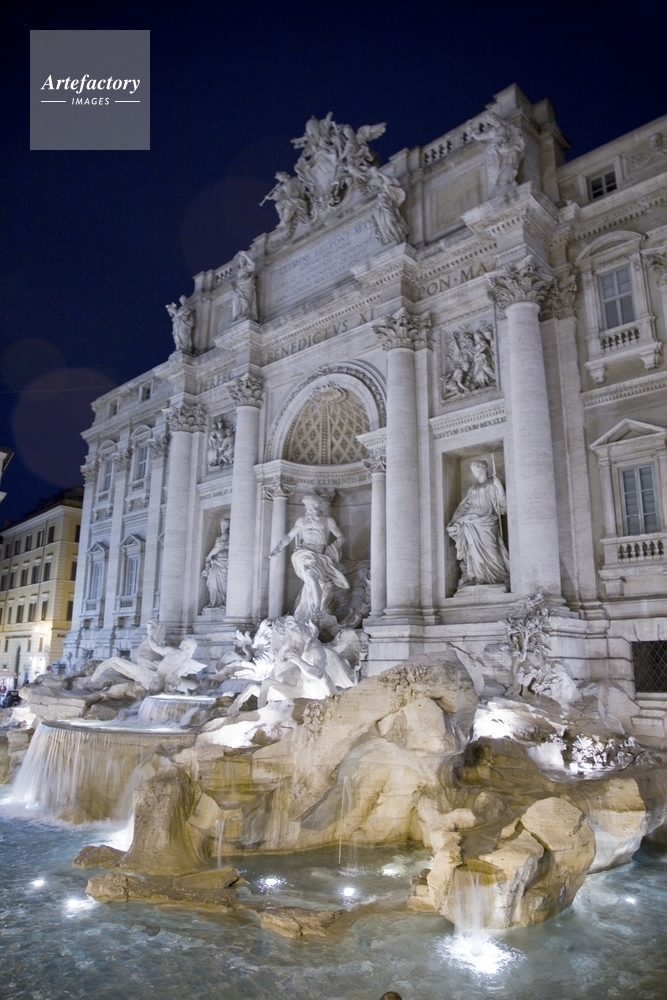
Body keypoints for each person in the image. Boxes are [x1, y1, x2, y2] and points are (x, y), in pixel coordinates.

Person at [269, 495, 349, 621]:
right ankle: (317, 609)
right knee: (312, 577)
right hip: (304, 554)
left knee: (315, 581)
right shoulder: (301, 521)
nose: (310, 508)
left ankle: (314, 609)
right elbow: (289, 536)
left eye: (312, 505)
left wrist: (333, 547)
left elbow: (341, 537)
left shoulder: (328, 521)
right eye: (308, 506)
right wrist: (277, 548)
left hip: (320, 556)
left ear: (318, 505)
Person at [447, 459, 509, 589]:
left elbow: (501, 508)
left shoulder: (492, 484)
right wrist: (455, 521)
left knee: (491, 549)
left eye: (475, 470)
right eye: (473, 471)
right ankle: (478, 576)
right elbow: (464, 506)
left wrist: (499, 487)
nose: (474, 473)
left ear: (482, 469)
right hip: (470, 522)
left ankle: (499, 576)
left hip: (487, 522)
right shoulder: (473, 488)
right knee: (472, 550)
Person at [202, 518, 230, 608]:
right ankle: (216, 602)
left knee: (219, 584)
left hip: (222, 562)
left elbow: (218, 548)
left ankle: (219, 602)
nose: (223, 527)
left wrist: (209, 556)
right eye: (222, 525)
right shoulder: (222, 536)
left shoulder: (225, 535)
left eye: (225, 525)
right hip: (217, 562)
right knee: (214, 583)